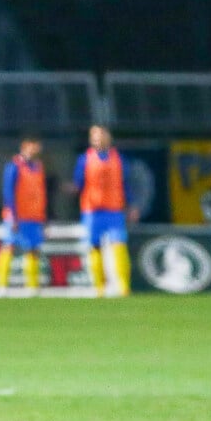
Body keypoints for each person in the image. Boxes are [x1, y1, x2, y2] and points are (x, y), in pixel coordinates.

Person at [72, 124, 139, 297]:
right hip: (92, 210)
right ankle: (99, 288)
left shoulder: (118, 158)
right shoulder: (84, 159)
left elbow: (126, 184)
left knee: (119, 245)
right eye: (93, 135)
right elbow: (78, 183)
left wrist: (131, 205)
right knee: (95, 247)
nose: (97, 139)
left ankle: (124, 287)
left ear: (108, 137)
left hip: (114, 210)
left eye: (100, 135)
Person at [0, 136, 46, 294]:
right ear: (24, 147)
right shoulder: (14, 167)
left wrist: (43, 217)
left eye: (36, 147)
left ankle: (32, 285)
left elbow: (41, 193)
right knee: (9, 246)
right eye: (31, 146)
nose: (33, 150)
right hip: (17, 216)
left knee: (33, 249)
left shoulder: (38, 167)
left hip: (34, 216)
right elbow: (8, 192)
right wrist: (13, 216)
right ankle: (1, 285)